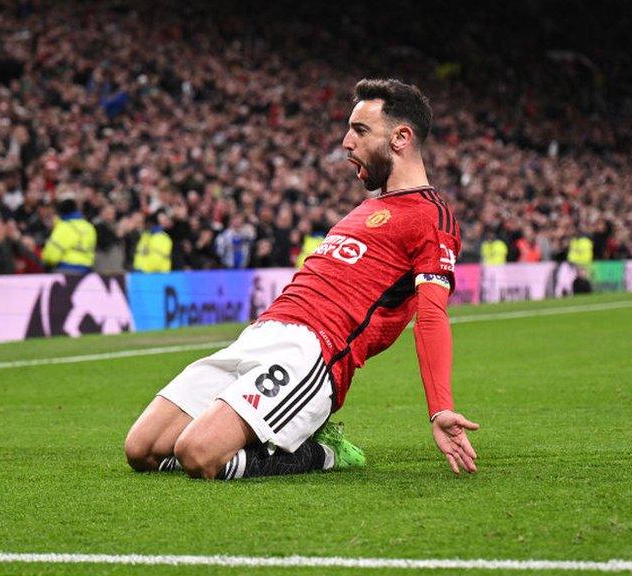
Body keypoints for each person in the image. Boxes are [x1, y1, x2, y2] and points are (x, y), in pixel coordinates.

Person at [124, 78, 479, 481]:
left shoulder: (432, 216)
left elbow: (430, 316)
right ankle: (271, 428)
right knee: (141, 449)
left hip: (311, 354)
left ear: (401, 137)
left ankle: (321, 452)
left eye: (360, 130)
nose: (346, 142)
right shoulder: (364, 209)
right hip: (260, 333)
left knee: (198, 455)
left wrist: (440, 406)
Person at [41, 198, 97, 274]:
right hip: (87, 270)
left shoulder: (64, 226)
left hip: (66, 270)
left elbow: (51, 256)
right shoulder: (89, 227)